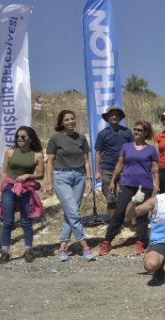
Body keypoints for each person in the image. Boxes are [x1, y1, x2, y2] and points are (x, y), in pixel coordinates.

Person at [99, 121, 160, 256]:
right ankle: (107, 241)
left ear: (145, 133)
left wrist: (157, 184)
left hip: (145, 185)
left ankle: (140, 241)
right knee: (119, 212)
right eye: (135, 129)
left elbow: (155, 168)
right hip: (126, 183)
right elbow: (119, 165)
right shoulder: (126, 146)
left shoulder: (151, 150)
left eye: (139, 130)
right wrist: (113, 180)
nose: (136, 132)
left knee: (142, 214)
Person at [45, 110, 95, 262]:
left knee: (70, 212)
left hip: (79, 176)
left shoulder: (81, 138)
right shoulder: (55, 139)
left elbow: (86, 160)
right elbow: (50, 162)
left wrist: (89, 179)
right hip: (61, 177)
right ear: (61, 123)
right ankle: (84, 245)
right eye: (67, 120)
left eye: (72, 119)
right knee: (73, 212)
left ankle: (62, 248)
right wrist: (48, 182)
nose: (71, 122)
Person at [0, 126, 44, 264]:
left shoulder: (37, 155)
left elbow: (41, 175)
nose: (19, 139)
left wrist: (28, 175)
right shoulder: (10, 152)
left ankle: (28, 250)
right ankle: (5, 252)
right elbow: (4, 172)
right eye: (17, 137)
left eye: (23, 137)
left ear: (30, 138)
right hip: (9, 188)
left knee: (25, 221)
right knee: (8, 222)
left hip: (25, 189)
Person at [94, 106, 134, 219]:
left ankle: (128, 220)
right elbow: (98, 153)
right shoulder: (102, 134)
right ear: (107, 118)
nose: (114, 117)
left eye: (117, 115)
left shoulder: (127, 132)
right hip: (107, 168)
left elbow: (134, 150)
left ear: (120, 117)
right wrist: (97, 171)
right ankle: (114, 223)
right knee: (110, 197)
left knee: (127, 196)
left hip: (125, 169)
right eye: (112, 115)